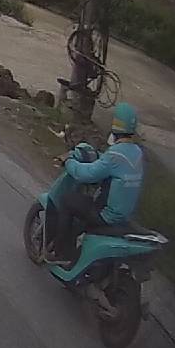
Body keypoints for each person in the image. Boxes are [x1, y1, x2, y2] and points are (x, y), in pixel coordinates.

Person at [51, 102, 145, 262]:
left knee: (67, 200)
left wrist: (69, 161)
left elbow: (86, 175)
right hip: (124, 216)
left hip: (107, 215)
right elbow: (114, 166)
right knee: (84, 204)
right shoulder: (137, 152)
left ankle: (60, 253)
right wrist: (98, 156)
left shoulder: (116, 153)